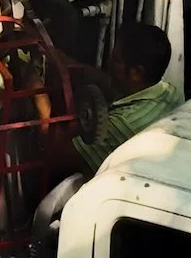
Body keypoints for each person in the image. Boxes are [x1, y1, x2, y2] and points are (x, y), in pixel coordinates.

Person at [74, 20, 182, 171]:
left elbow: (59, 155)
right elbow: (106, 82)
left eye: (116, 60)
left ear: (136, 73)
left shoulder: (122, 123)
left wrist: (38, 94)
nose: (109, 62)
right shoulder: (170, 92)